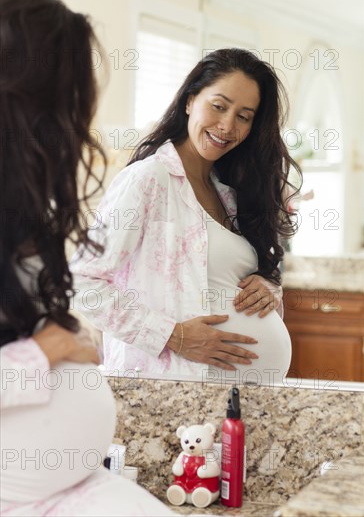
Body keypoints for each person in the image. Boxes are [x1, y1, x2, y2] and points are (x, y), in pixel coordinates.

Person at [0, 0, 176, 516]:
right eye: (76, 85)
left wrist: (66, 339)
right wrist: (51, 349)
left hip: (66, 487)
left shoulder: (24, 203)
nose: (86, 106)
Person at [71, 48, 302, 384]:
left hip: (243, 403)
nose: (227, 125)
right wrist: (173, 335)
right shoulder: (148, 180)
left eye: (244, 116)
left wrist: (267, 288)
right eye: (219, 106)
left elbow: (221, 277)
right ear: (190, 100)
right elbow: (82, 283)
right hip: (172, 394)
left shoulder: (227, 192)